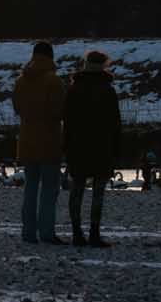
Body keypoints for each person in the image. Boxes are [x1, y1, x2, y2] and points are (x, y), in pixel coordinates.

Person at [64, 50, 123, 248]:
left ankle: (76, 233)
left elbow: (68, 120)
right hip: (102, 146)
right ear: (104, 65)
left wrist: (66, 146)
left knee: (77, 190)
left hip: (78, 146)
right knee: (98, 192)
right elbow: (115, 123)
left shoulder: (74, 88)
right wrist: (116, 148)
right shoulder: (107, 89)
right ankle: (95, 233)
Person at [12, 41, 66, 244]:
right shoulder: (53, 81)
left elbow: (17, 107)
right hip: (49, 141)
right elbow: (60, 110)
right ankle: (46, 232)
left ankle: (28, 232)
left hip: (26, 141)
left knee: (30, 188)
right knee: (49, 190)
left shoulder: (21, 80)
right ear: (51, 56)